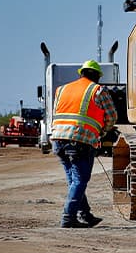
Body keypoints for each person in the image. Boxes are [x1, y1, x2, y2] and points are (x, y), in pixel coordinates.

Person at [49, 59, 119, 228]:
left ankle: (85, 214)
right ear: (96, 76)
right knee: (80, 180)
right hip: (79, 140)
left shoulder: (62, 89)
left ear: (81, 73)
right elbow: (112, 116)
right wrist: (102, 132)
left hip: (58, 139)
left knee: (74, 179)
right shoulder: (97, 90)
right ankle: (68, 217)